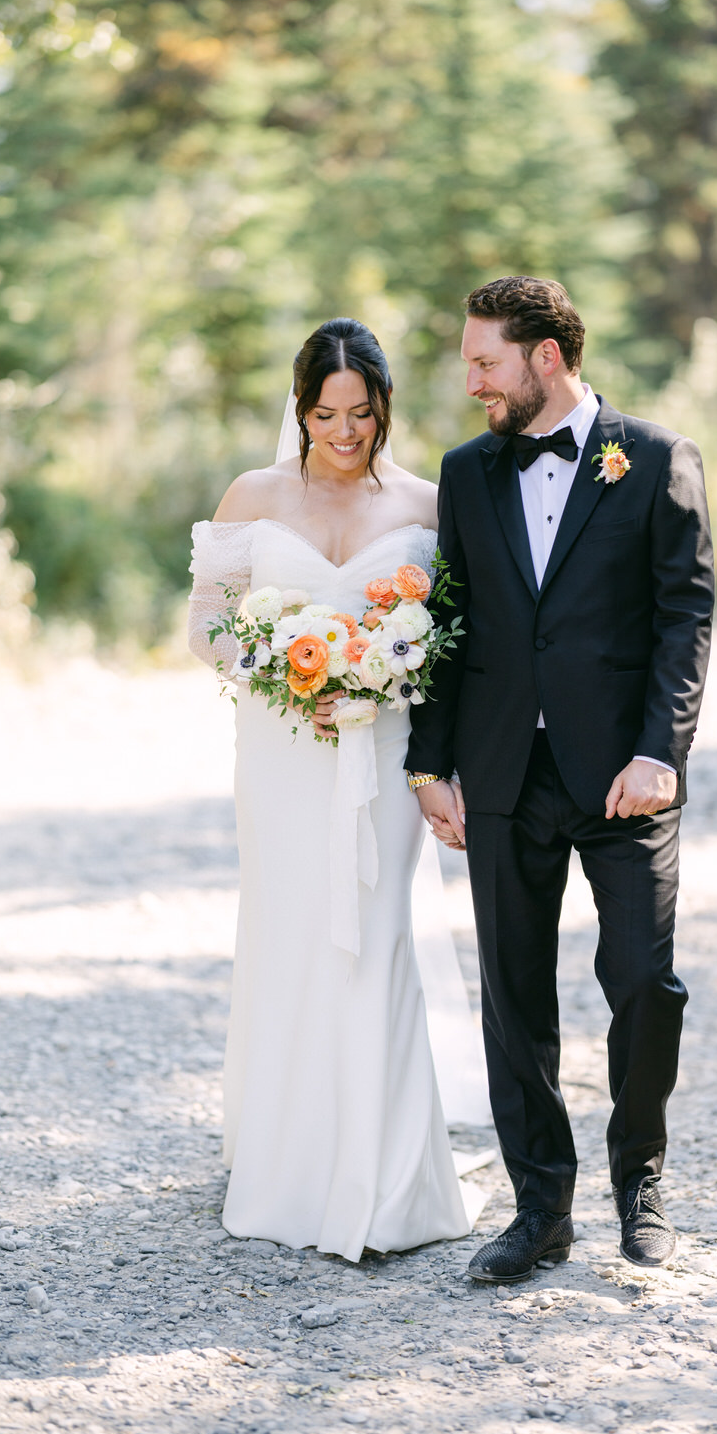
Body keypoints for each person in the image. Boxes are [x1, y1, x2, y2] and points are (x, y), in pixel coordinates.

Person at [407, 276, 715, 1279]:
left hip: (624, 775)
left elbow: (684, 617)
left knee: (641, 982)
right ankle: (540, 1206)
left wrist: (659, 752)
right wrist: (428, 759)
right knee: (511, 996)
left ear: (545, 357)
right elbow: (445, 625)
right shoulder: (466, 473)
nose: (471, 382)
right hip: (500, 771)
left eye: (485, 362)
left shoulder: (656, 458)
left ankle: (641, 1180)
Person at [187, 317, 487, 1263]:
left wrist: (376, 683)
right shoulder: (255, 493)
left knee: (377, 928)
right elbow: (207, 627)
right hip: (283, 749)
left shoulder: (431, 504)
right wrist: (288, 672)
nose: (345, 432)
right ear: (300, 407)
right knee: (291, 929)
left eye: (361, 413)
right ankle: (291, 1158)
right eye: (325, 413)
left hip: (387, 748)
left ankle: (389, 1175)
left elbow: (458, 637)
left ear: (385, 406)